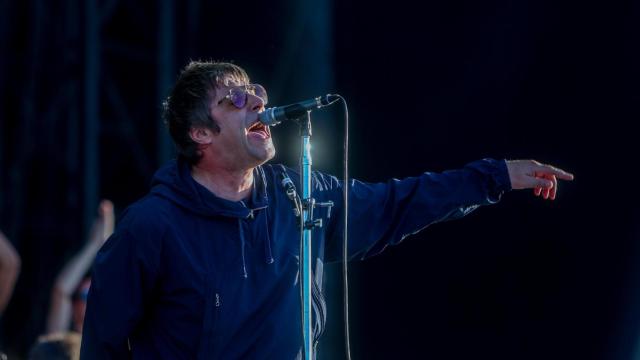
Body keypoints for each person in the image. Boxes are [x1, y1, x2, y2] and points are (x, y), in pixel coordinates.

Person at [80, 61, 574, 359]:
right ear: (201, 134)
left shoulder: (299, 196)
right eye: (235, 99)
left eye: (256, 91)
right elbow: (103, 343)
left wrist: (494, 176)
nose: (256, 100)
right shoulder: (153, 225)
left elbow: (394, 203)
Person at [47, 200, 115, 334]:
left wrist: (104, 246)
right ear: (73, 306)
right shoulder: (62, 339)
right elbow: (62, 290)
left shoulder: (110, 340)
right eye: (84, 296)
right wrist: (94, 246)